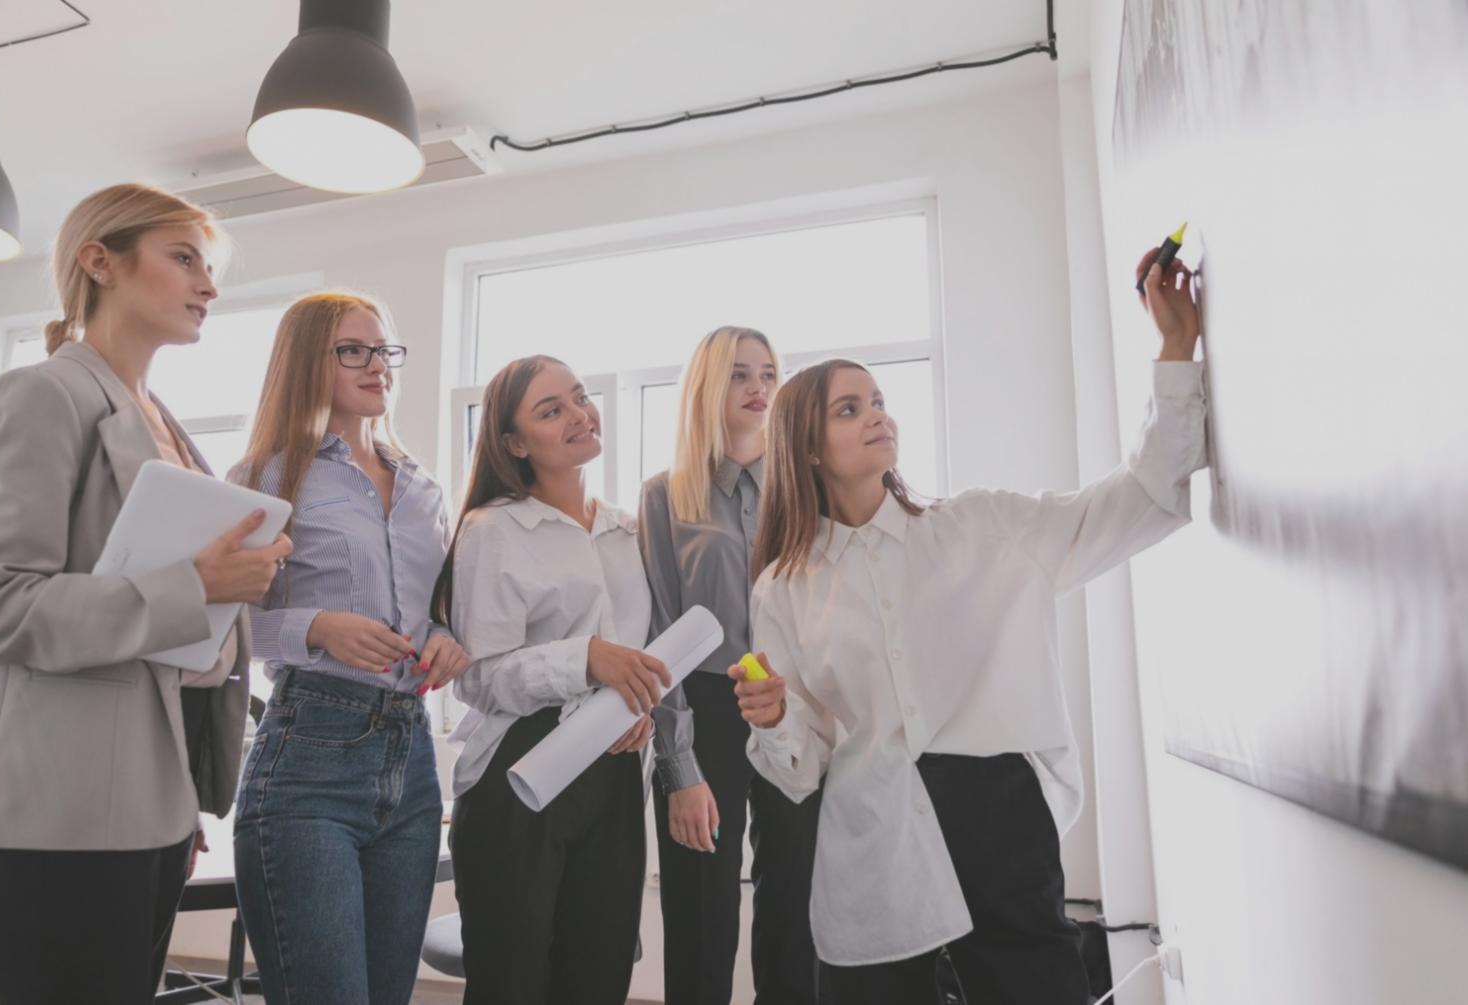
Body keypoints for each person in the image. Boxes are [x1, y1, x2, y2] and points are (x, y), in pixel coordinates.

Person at [731, 249, 1206, 1003]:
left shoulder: (984, 525)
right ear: (808, 447)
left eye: (879, 399)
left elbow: (1144, 497)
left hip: (999, 815)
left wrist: (1174, 349)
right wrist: (776, 716)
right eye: (849, 408)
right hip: (871, 834)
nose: (877, 414)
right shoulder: (784, 586)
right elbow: (803, 765)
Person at [0, 182, 289, 1005]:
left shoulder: (162, 421)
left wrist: (228, 599)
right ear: (99, 261)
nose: (208, 284)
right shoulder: (43, 395)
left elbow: (168, 628)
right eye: (184, 258)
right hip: (62, 806)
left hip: (151, 801)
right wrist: (195, 586)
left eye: (208, 265)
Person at [229, 291, 469, 1005]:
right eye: (353, 350)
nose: (378, 366)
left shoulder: (425, 487)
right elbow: (221, 628)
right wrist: (317, 626)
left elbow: (438, 611)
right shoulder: (266, 476)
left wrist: (448, 640)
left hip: (412, 755)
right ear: (309, 360)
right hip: (308, 752)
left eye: (385, 350)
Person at [434, 355, 666, 1005]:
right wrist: (585, 660)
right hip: (517, 775)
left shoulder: (628, 530)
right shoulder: (492, 529)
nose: (578, 414)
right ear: (513, 443)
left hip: (614, 766)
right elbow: (478, 677)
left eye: (580, 397)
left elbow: (639, 658)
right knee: (513, 984)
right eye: (550, 409)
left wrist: (636, 702)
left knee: (599, 974)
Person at [637, 326, 827, 1004]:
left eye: (768, 374)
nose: (759, 388)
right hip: (706, 707)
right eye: (741, 374)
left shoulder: (809, 489)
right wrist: (678, 764)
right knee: (700, 908)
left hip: (790, 702)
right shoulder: (665, 496)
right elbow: (660, 633)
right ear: (708, 388)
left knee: (795, 897)